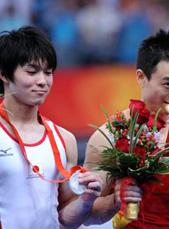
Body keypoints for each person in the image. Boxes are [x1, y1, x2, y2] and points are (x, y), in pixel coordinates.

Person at [84, 29, 169, 228]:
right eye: (168, 84)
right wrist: (114, 201)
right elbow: (87, 216)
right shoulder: (109, 135)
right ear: (141, 77)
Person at [0, 26, 104, 229]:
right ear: (4, 74)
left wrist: (87, 199)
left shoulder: (65, 140)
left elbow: (65, 218)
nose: (42, 81)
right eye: (31, 71)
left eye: (48, 73)